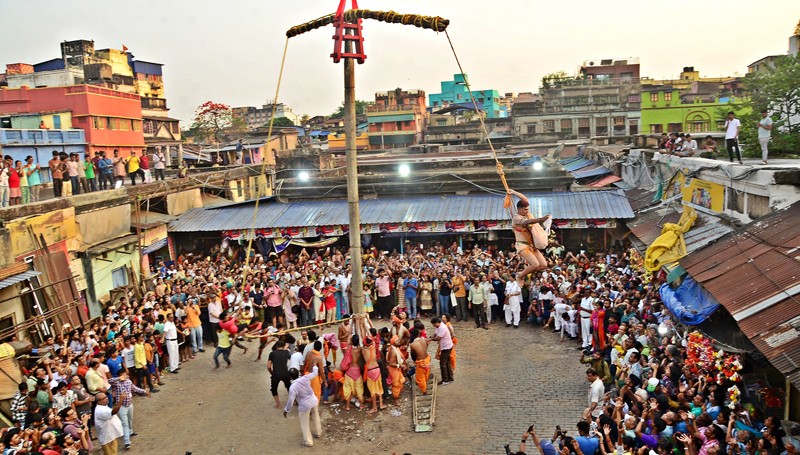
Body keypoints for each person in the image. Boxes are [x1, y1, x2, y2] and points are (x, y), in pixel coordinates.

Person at [509, 189, 551, 287]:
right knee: (535, 265)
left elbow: (525, 198)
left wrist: (514, 192)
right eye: (525, 209)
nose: (527, 211)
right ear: (519, 208)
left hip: (532, 245)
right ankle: (520, 276)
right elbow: (525, 222)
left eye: (528, 209)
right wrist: (541, 219)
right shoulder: (516, 217)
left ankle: (524, 272)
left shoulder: (527, 214)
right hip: (522, 245)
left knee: (543, 265)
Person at [108, 371, 150, 450]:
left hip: (129, 404)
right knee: (125, 423)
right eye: (124, 374)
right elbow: (109, 381)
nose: (126, 375)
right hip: (121, 406)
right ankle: (127, 442)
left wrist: (144, 392)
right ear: (120, 375)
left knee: (130, 420)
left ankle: (130, 432)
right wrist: (118, 378)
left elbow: (135, 389)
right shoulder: (116, 383)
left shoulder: (128, 381)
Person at [284, 365, 322, 448]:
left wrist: (286, 410)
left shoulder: (293, 387)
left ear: (290, 377)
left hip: (304, 405)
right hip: (313, 400)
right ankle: (318, 432)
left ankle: (308, 441)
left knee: (304, 423)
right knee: (316, 416)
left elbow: (291, 400)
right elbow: (315, 373)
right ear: (298, 374)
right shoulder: (305, 378)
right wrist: (315, 365)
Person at [268, 340, 292, 408]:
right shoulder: (287, 352)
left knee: (274, 389)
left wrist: (272, 373)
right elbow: (285, 352)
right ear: (284, 346)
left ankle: (278, 404)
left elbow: (268, 366)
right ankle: (294, 401)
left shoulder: (272, 354)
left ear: (276, 346)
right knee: (289, 387)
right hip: (285, 373)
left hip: (276, 374)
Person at [431, 317, 454, 385]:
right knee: (447, 362)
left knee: (442, 363)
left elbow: (438, 338)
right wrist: (430, 337)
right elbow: (435, 334)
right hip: (444, 346)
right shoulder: (438, 327)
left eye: (434, 325)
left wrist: (430, 339)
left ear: (437, 323)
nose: (434, 326)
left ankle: (445, 379)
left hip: (446, 347)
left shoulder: (442, 328)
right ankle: (450, 377)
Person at [409, 328, 431, 395]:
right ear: (419, 334)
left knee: (420, 378)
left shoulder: (412, 345)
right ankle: (425, 384)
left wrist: (415, 361)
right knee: (426, 373)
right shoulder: (424, 340)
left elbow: (413, 355)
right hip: (427, 359)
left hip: (420, 362)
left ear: (412, 335)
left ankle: (424, 391)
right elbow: (426, 348)